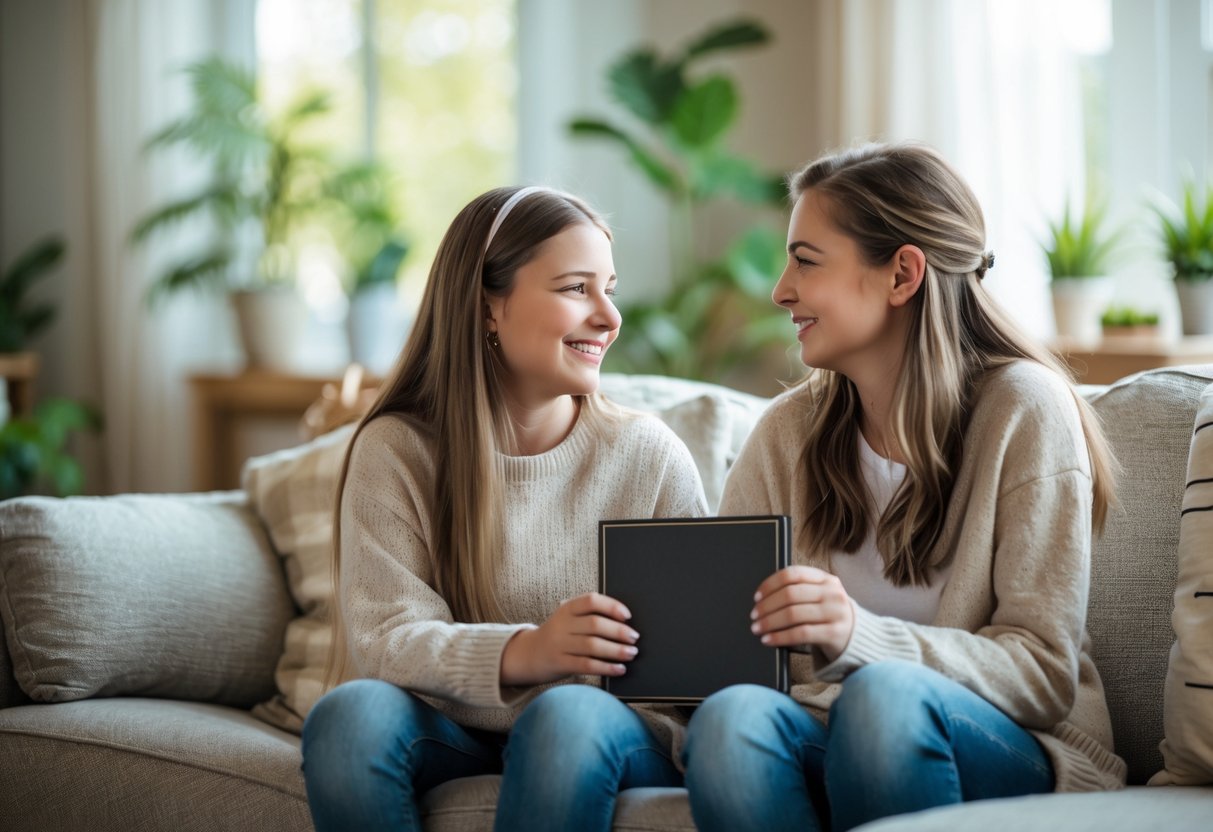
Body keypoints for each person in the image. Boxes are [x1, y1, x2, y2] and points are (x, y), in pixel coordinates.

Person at [680, 143, 1128, 832]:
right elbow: (729, 658)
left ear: (901, 273)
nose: (779, 290)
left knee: (883, 699)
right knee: (731, 717)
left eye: (805, 259)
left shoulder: (1023, 410)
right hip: (826, 728)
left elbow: (1041, 674)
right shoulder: (786, 431)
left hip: (1015, 744)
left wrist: (857, 634)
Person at [300, 185, 707, 832]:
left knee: (562, 719)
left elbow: (695, 666)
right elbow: (386, 639)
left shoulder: (646, 455)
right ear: (489, 307)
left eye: (610, 288)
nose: (608, 316)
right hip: (454, 725)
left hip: (608, 731)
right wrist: (528, 651)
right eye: (576, 288)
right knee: (347, 720)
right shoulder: (396, 451)